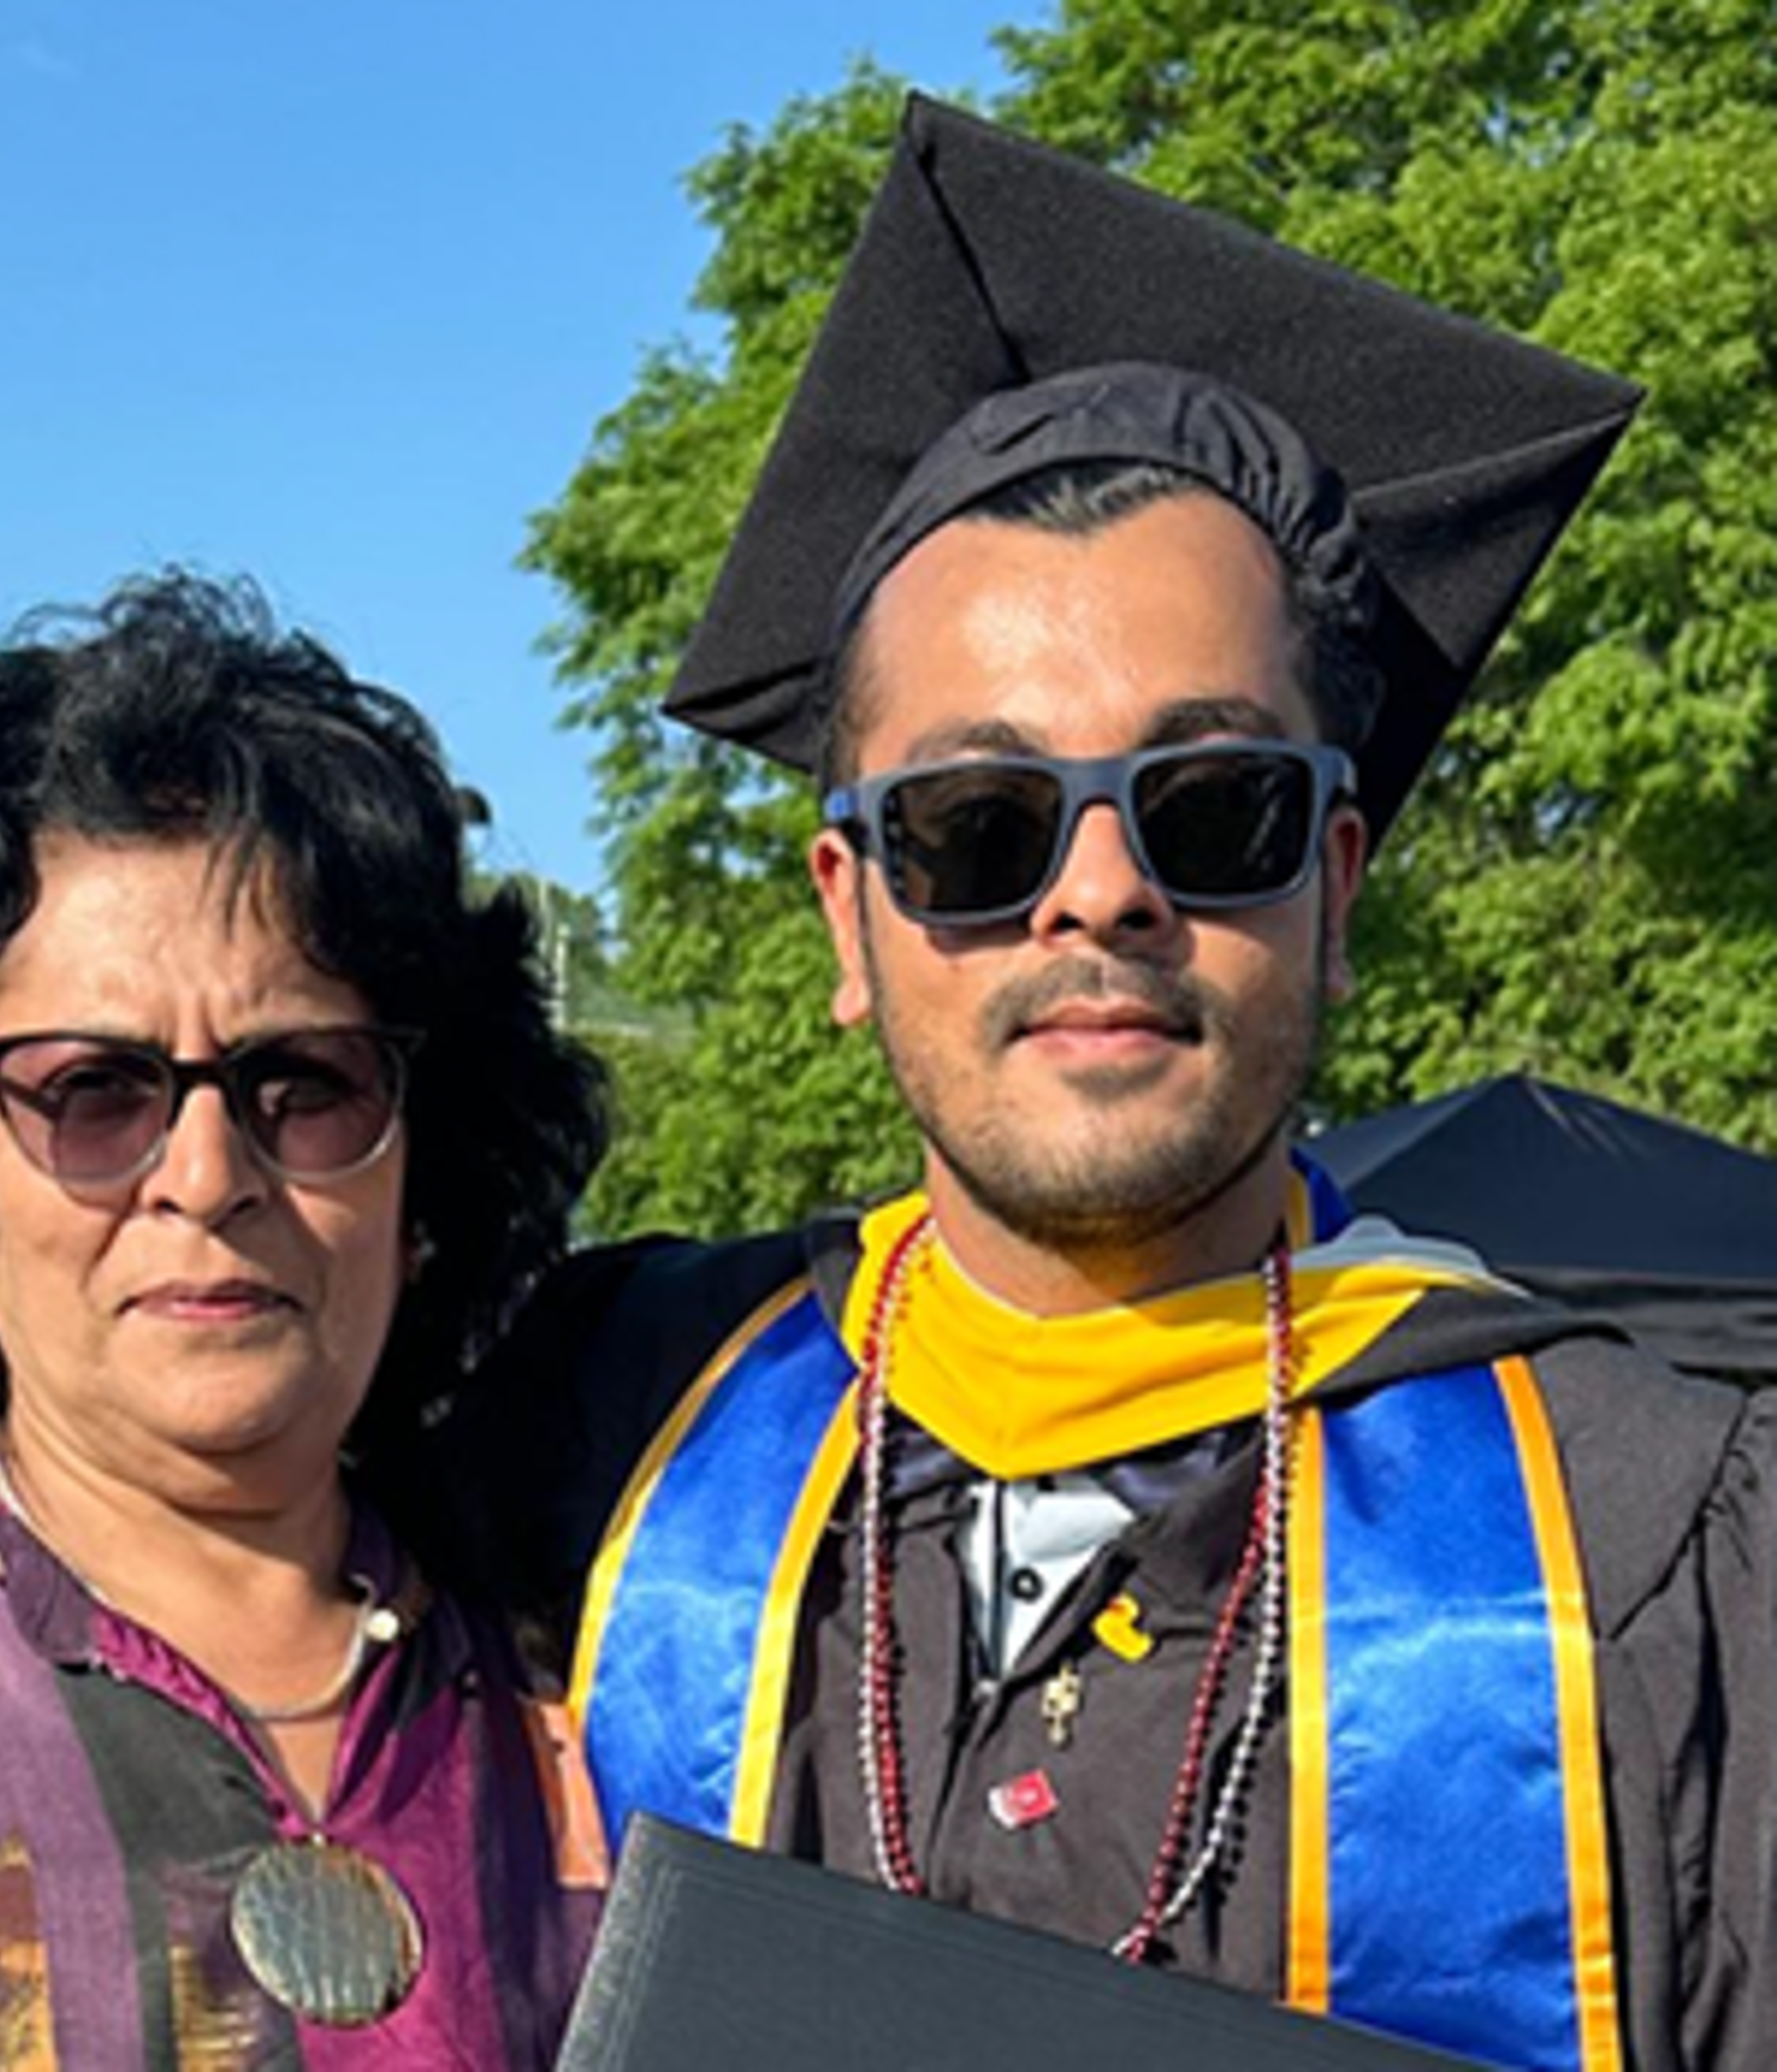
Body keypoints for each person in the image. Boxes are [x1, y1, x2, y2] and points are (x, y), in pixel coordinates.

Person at [435, 99, 1777, 2072]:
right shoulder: (603, 1414)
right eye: (976, 824)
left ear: (1332, 882)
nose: (1100, 894)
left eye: (1212, 806)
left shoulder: (1668, 1527)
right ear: (846, 912)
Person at [0, 573, 609, 2068]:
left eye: (306, 1083)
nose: (206, 1177)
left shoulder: (613, 1686)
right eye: (91, 1092)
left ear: (425, 1170)